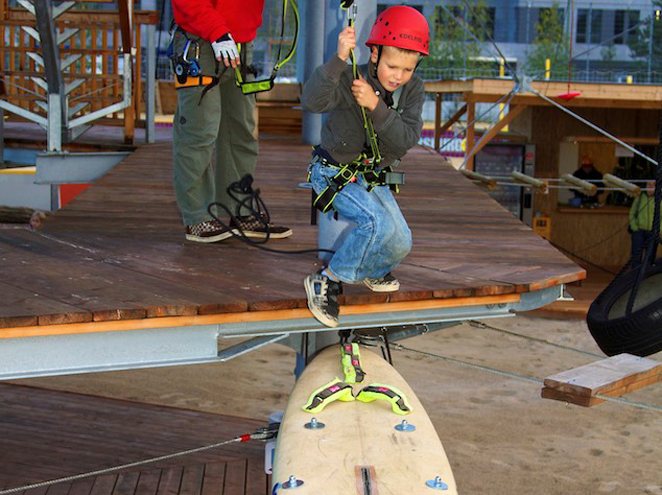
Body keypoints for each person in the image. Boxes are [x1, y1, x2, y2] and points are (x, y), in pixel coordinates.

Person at [300, 5, 429, 327]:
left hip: (371, 177)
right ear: (374, 54)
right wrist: (338, 59)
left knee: (401, 240)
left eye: (407, 69)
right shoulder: (349, 78)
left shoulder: (412, 91)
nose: (398, 76)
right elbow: (312, 102)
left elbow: (404, 140)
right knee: (377, 225)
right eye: (392, 66)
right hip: (332, 173)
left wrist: (375, 105)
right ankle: (327, 279)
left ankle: (370, 268)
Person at [170, 0, 292, 243]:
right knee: (199, 133)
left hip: (240, 43)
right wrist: (216, 30)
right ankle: (198, 217)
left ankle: (240, 211)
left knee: (241, 131)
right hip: (200, 42)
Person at [628, 179, 661, 268]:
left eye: (652, 185)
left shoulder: (659, 200)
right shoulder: (639, 197)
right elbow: (632, 213)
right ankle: (634, 276)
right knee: (636, 254)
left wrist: (659, 230)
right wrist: (634, 227)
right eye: (648, 185)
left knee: (650, 256)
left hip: (653, 232)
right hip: (639, 231)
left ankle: (646, 276)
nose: (650, 187)